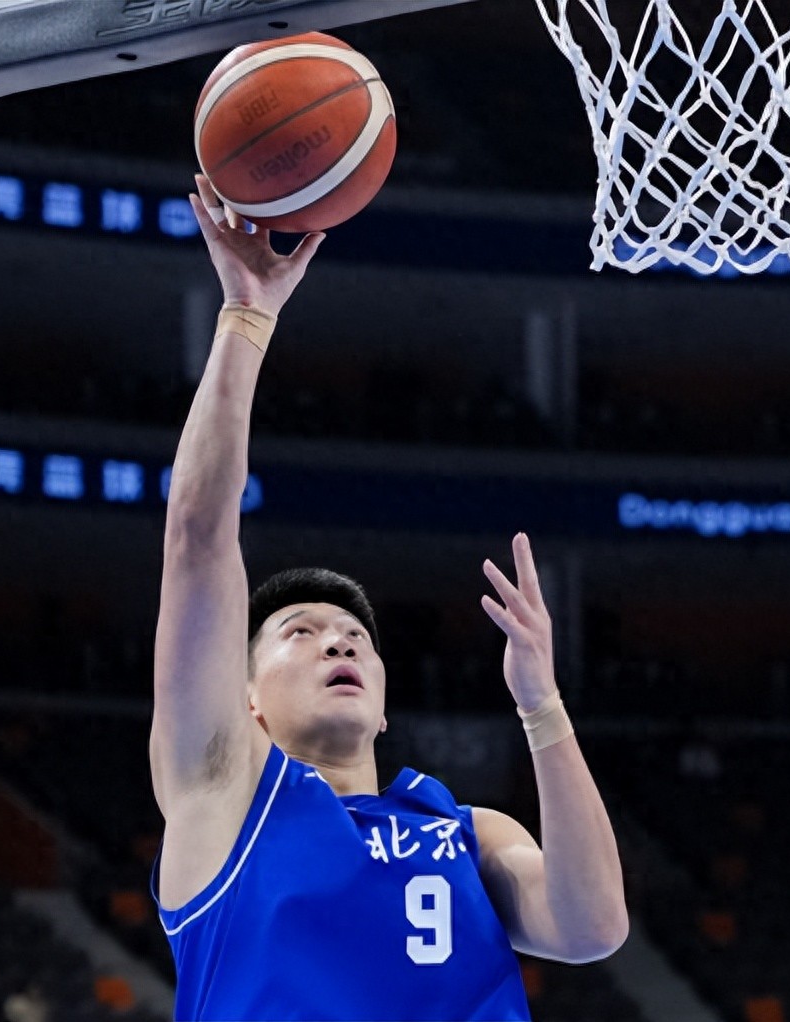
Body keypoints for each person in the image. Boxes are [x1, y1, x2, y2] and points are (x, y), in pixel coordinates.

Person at [148, 176, 628, 1021]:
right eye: (301, 633)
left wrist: (542, 705)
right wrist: (247, 319)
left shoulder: (468, 831)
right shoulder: (221, 791)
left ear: (381, 708)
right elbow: (196, 536)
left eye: (355, 639)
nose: (339, 644)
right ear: (246, 701)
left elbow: (590, 929)